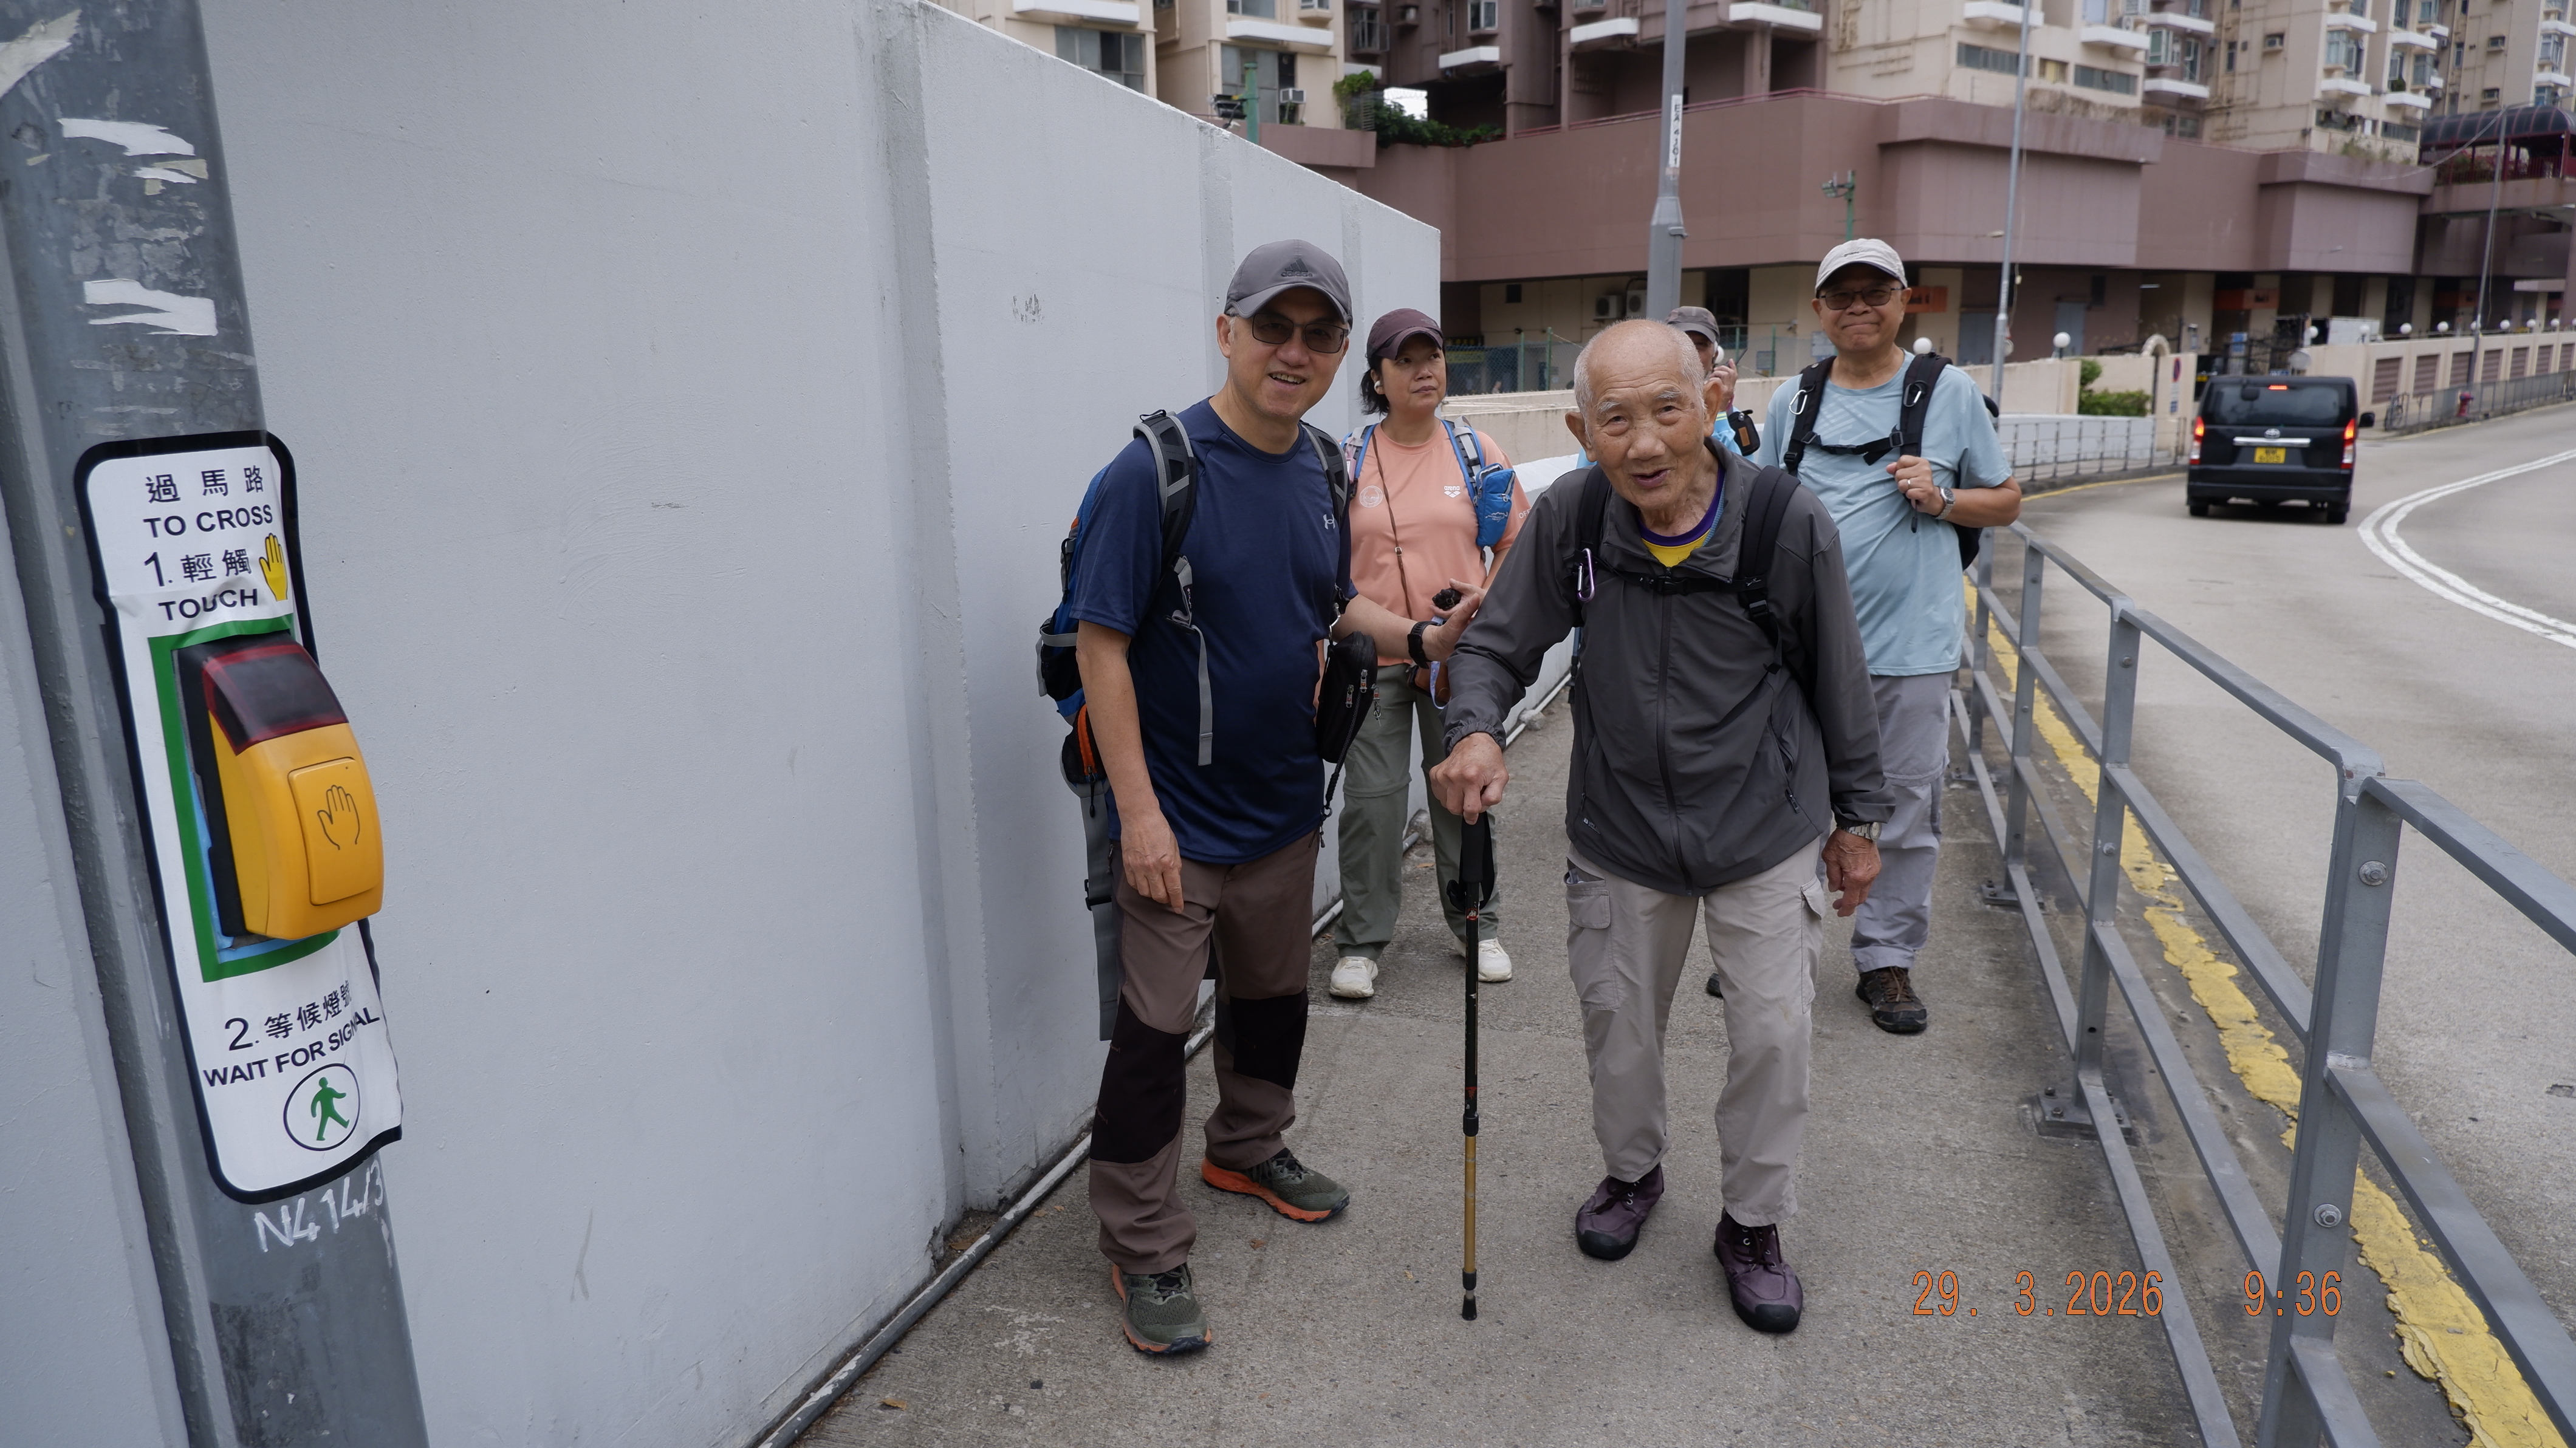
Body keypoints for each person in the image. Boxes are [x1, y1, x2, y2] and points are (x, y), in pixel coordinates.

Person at [1427, 319, 1891, 1335]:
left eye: (1668, 409)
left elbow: (1841, 679)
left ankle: (1753, 1223)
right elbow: (1496, 646)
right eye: (1616, 419)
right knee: (1619, 1030)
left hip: (1763, 825)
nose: (1645, 443)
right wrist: (1477, 729)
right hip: (1622, 827)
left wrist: (1858, 821)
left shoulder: (1785, 521)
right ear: (1580, 430)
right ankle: (1633, 1173)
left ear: (1713, 401)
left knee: (1773, 1036)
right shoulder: (1576, 515)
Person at [1068, 239, 1480, 1356]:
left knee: (1272, 1000)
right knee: (1153, 1037)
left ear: (1342, 353)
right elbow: (1102, 647)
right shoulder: (1151, 471)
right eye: (1271, 328)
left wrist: (1423, 636)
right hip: (1175, 819)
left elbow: (1329, 604)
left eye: (1318, 334)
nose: (1293, 352)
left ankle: (1246, 1148)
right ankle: (1141, 1239)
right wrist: (1140, 818)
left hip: (1284, 804)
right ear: (1227, 333)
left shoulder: (1321, 469)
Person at [1753, 238, 2019, 1035]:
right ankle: (1774, 949)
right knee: (1786, 801)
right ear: (1819, 310)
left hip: (1910, 648)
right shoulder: (1793, 401)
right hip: (1801, 651)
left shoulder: (1949, 392)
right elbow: (1760, 507)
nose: (1859, 308)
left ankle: (1886, 959)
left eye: (1876, 292)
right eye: (1842, 296)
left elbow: (2006, 500)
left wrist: (1943, 500)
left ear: (1905, 301)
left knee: (1903, 808)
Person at [1326, 307, 1527, 1003]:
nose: (1423, 371)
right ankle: (1360, 942)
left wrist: (1486, 600)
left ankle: (1478, 923)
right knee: (1372, 804)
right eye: (1405, 360)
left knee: (1464, 795)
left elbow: (1514, 542)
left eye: (1432, 356)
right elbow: (1326, 569)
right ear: (1376, 378)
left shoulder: (1475, 449)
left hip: (1459, 661)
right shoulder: (1344, 460)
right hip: (1372, 658)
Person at [1665, 306, 1748, 454]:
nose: (1691, 353)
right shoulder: (1645, 405)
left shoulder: (1734, 418)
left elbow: (1735, 466)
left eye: (1700, 345)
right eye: (1682, 343)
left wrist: (1719, 409)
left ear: (1715, 356)